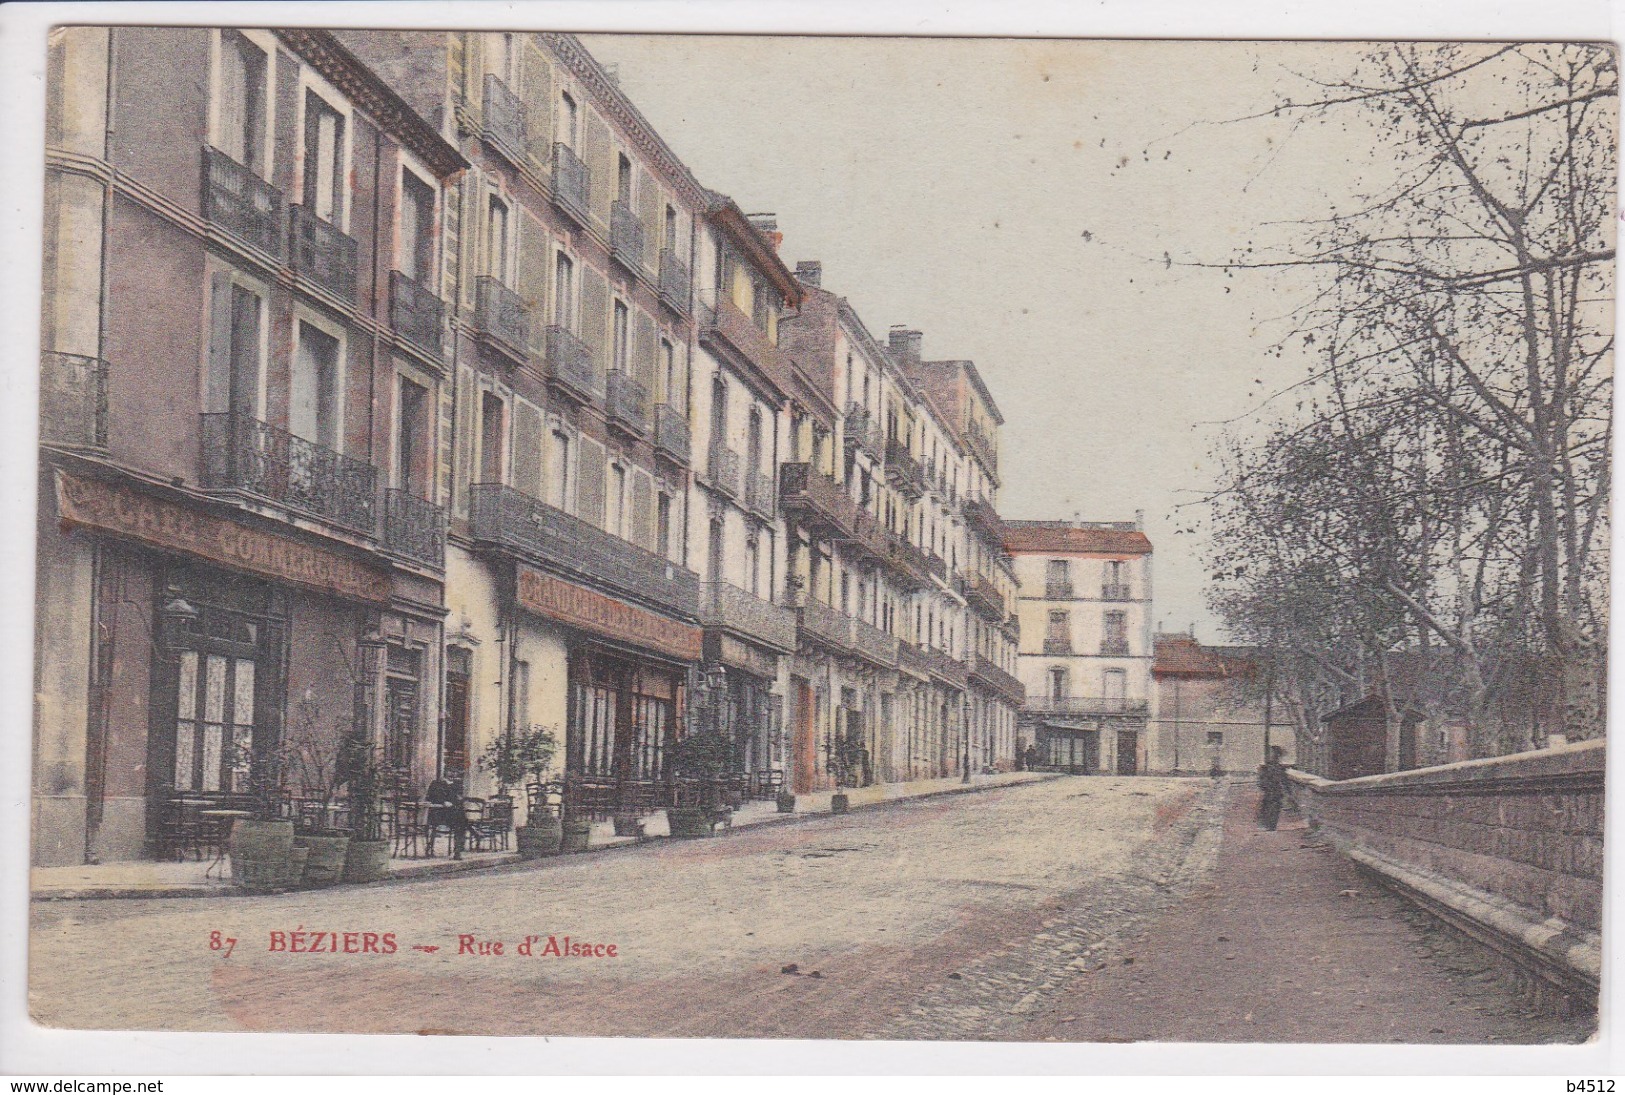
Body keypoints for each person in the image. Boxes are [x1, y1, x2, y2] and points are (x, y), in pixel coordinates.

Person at [425, 771, 466, 859]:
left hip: (451, 815)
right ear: (444, 773)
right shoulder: (436, 784)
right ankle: (460, 847)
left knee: (461, 820)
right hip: (438, 813)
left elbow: (459, 800)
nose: (452, 775)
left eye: (453, 773)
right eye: (450, 772)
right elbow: (429, 797)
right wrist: (443, 802)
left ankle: (457, 851)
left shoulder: (456, 785)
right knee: (461, 820)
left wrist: (455, 802)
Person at [1257, 746, 1288, 831]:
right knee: (1269, 807)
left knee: (1272, 808)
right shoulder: (1270, 766)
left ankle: (1270, 826)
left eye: (1274, 754)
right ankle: (1268, 826)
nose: (1273, 755)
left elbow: (1283, 780)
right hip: (1271, 791)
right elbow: (1263, 780)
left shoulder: (1278, 767)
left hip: (1274, 791)